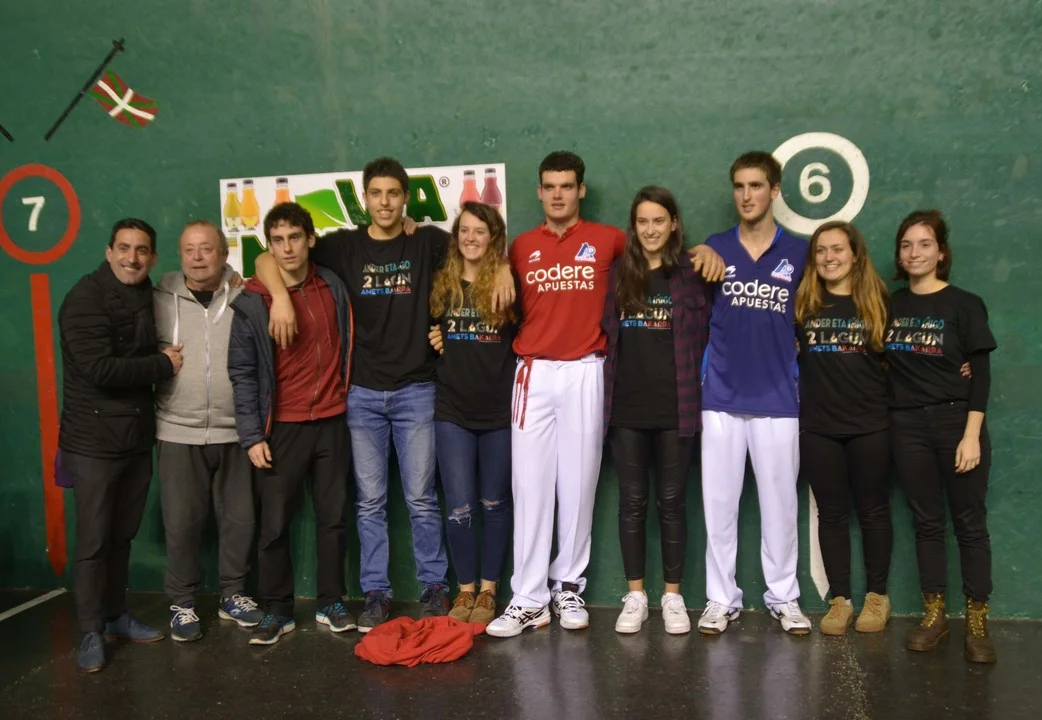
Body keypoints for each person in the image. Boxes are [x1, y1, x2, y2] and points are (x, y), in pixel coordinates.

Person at [255, 158, 512, 632]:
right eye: (376, 193)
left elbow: (480, 247)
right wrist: (282, 296)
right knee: (370, 502)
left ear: (405, 198)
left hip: (418, 391)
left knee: (421, 499)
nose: (385, 202)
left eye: (394, 193)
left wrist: (506, 272)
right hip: (362, 395)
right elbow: (268, 258)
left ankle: (434, 587)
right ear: (365, 199)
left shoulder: (428, 241)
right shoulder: (343, 246)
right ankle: (376, 592)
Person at [486, 152, 723, 638]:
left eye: (566, 186)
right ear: (539, 192)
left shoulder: (609, 239)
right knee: (530, 486)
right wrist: (501, 267)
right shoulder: (521, 246)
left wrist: (705, 250)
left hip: (587, 371)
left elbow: (663, 248)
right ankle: (528, 598)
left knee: (579, 486)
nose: (557, 194)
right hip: (534, 372)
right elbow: (494, 275)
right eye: (549, 186)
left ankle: (567, 586)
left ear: (581, 190)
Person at [58, 218, 182, 672]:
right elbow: (100, 369)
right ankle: (91, 630)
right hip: (91, 442)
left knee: (122, 535)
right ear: (109, 252)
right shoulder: (84, 299)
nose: (132, 258)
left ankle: (114, 616)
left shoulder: (150, 294)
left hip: (134, 438)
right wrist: (162, 365)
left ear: (152, 257)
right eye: (124, 248)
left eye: (142, 250)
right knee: (94, 540)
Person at [230, 202, 355, 645]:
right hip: (281, 427)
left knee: (333, 519)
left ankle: (330, 602)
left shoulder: (332, 284)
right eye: (278, 240)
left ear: (310, 240)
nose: (287, 248)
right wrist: (252, 436)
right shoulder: (253, 300)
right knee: (274, 525)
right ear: (269, 246)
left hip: (332, 421)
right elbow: (242, 373)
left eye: (295, 238)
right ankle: (277, 610)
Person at [699, 151, 812, 635]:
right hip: (720, 397)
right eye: (740, 186)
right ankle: (720, 599)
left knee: (780, 508)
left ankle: (783, 596)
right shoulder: (715, 247)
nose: (747, 196)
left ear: (775, 190)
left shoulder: (801, 252)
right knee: (719, 507)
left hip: (778, 399)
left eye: (756, 186)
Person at [886, 209, 998, 663]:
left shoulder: (965, 304)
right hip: (907, 426)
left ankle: (977, 622)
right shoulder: (890, 305)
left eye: (925, 244)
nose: (915, 253)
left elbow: (981, 374)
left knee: (969, 525)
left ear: (941, 253)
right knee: (926, 523)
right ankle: (934, 616)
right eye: (907, 245)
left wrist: (971, 435)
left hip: (957, 424)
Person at [601, 186, 711, 635]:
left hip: (676, 407)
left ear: (674, 224)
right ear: (634, 226)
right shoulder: (618, 273)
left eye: (659, 221)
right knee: (632, 503)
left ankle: (672, 597)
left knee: (672, 503)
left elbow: (720, 326)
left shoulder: (693, 272)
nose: (650, 229)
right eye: (643, 221)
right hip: (626, 408)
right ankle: (636, 596)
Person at [154, 220, 262, 642]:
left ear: (223, 254)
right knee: (181, 523)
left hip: (236, 431)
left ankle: (233, 595)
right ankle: (182, 602)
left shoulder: (244, 295)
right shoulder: (158, 297)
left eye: (206, 249)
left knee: (240, 521)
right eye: (189, 250)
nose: (197, 258)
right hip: (177, 430)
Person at [794, 221, 892, 636]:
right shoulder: (803, 305)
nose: (829, 257)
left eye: (837, 249)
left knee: (873, 511)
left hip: (870, 424)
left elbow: (906, 359)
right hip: (819, 426)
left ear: (855, 255)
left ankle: (877, 596)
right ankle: (840, 600)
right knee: (831, 514)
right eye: (821, 250)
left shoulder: (879, 303)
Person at [429, 201, 518, 626]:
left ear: (493, 238)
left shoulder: (508, 283)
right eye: (464, 230)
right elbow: (427, 333)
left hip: (499, 411)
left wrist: (504, 268)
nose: (471, 238)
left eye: (480, 231)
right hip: (452, 412)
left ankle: (488, 590)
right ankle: (465, 591)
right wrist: (434, 338)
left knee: (494, 504)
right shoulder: (442, 284)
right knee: (459, 507)